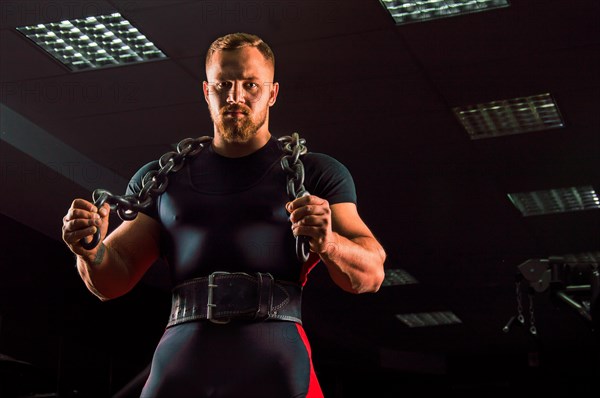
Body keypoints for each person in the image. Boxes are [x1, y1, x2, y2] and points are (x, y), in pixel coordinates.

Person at [62, 32, 386, 398]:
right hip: (183, 362)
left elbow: (370, 275)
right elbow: (111, 280)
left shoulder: (316, 173)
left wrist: (329, 242)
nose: (235, 97)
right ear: (206, 91)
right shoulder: (163, 178)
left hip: (274, 361)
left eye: (250, 85)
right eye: (223, 85)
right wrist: (88, 250)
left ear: (272, 93)